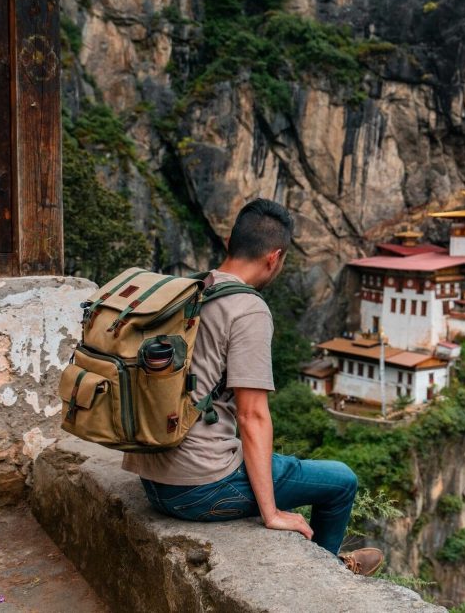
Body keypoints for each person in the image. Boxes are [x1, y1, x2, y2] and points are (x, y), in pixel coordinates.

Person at [122, 198, 382, 575]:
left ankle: (328, 565)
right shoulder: (248, 308)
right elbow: (252, 416)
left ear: (230, 241)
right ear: (274, 257)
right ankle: (326, 572)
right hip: (200, 491)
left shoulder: (186, 292)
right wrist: (272, 512)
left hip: (154, 482)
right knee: (341, 481)